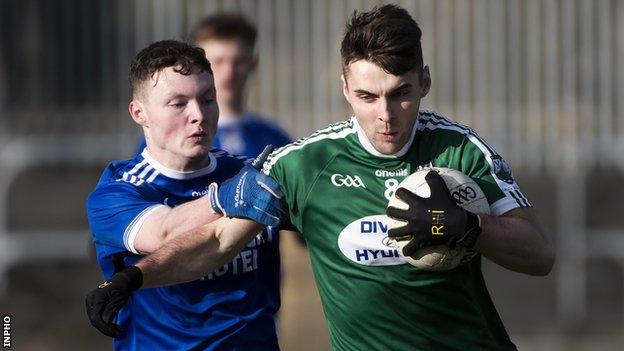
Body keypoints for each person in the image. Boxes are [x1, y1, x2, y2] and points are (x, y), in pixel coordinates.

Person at [87, 5, 555, 350]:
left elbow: (540, 254)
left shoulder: (459, 149)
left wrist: (472, 228)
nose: (386, 115)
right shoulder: (302, 165)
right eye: (368, 96)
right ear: (345, 89)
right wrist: (135, 278)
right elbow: (215, 242)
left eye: (401, 94)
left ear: (425, 83)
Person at [86, 40, 286, 350]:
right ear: (139, 113)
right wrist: (223, 199)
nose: (198, 115)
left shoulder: (251, 174)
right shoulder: (118, 190)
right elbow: (164, 234)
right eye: (178, 103)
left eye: (207, 99)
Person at [135, 13, 291, 158]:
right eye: (217, 61)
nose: (229, 72)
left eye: (239, 62)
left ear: (253, 63)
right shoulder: (166, 137)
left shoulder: (274, 138)